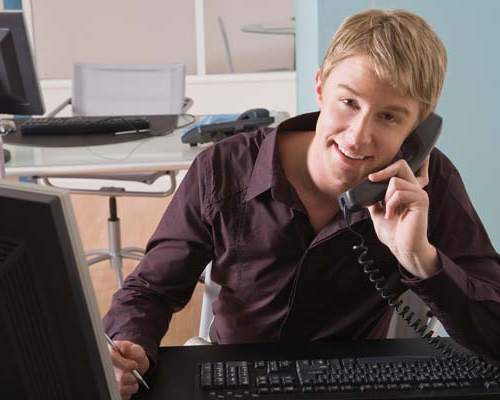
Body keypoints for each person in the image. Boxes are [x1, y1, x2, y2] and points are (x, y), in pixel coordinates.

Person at [104, 9, 500, 398]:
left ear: (418, 129)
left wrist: (420, 258)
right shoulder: (224, 169)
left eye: (390, 117)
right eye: (349, 102)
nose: (359, 136)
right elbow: (151, 290)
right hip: (237, 380)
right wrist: (129, 347)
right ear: (320, 88)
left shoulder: (430, 185)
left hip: (356, 384)